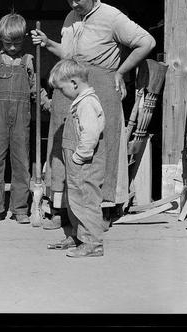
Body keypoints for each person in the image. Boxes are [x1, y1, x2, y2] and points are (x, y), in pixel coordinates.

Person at [31, 0, 156, 230]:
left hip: (100, 86)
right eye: (69, 0)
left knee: (100, 145)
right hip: (69, 85)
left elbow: (147, 41)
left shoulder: (111, 17)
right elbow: (68, 53)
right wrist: (48, 43)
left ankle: (101, 209)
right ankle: (62, 209)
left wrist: (121, 71)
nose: (73, 5)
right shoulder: (70, 17)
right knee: (62, 142)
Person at [0, 12, 36, 225]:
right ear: (0, 36)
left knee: (21, 162)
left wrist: (46, 102)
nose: (13, 47)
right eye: (8, 42)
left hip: (21, 117)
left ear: (24, 38)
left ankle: (20, 208)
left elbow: (35, 89)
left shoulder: (29, 60)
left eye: (17, 42)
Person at [47, 59, 106, 257]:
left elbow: (90, 134)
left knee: (87, 201)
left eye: (62, 89)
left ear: (74, 83)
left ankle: (93, 243)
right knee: (76, 201)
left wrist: (79, 156)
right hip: (77, 165)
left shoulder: (87, 103)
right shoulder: (80, 102)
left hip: (85, 164)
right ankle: (79, 235)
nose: (61, 93)